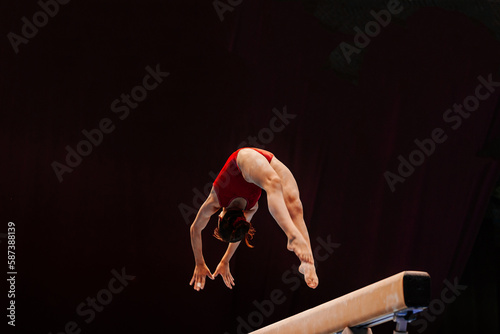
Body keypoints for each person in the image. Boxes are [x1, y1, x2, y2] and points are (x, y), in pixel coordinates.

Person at [189, 147, 318, 291]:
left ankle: (293, 236)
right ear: (220, 218)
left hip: (243, 160)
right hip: (266, 162)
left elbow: (196, 229)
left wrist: (200, 263)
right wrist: (224, 260)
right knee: (294, 206)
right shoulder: (249, 208)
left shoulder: (217, 199)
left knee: (274, 183)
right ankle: (308, 263)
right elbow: (196, 229)